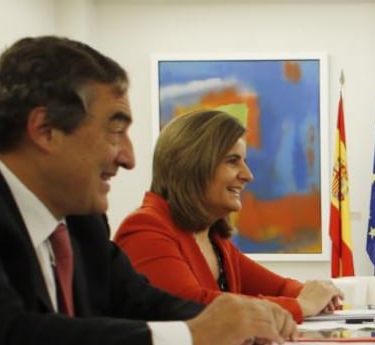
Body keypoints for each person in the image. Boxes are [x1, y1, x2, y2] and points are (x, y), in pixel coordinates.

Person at [0, 35, 297, 345]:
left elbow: (139, 302)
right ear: (45, 130)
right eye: (115, 130)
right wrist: (193, 337)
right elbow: (11, 340)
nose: (129, 158)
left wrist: (236, 322)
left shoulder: (81, 221)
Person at [114, 109, 343, 323]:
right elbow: (193, 307)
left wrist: (318, 294)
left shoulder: (215, 240)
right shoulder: (145, 229)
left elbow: (282, 289)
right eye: (233, 161)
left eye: (245, 161)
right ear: (193, 166)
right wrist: (301, 306)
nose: (248, 175)